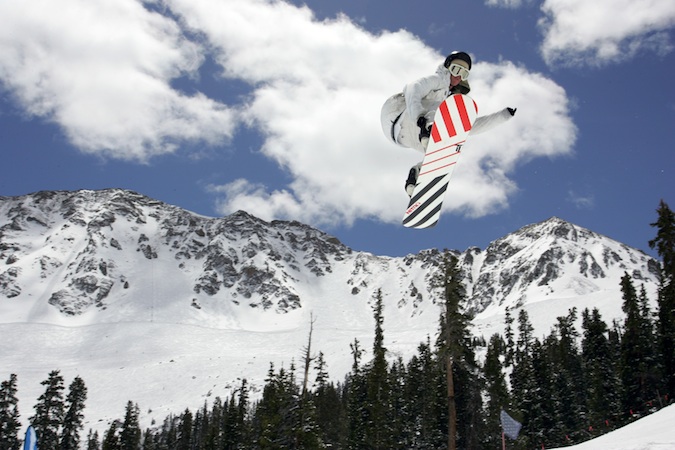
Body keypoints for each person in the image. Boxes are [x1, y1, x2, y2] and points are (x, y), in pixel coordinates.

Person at [380, 51, 516, 196]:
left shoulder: (446, 100)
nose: (458, 76)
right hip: (397, 110)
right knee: (447, 112)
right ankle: (428, 130)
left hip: (401, 136)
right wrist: (419, 116)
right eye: (456, 70)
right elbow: (413, 87)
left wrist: (503, 116)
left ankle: (417, 178)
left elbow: (467, 127)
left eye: (464, 74)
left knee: (449, 145)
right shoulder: (439, 80)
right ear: (447, 68)